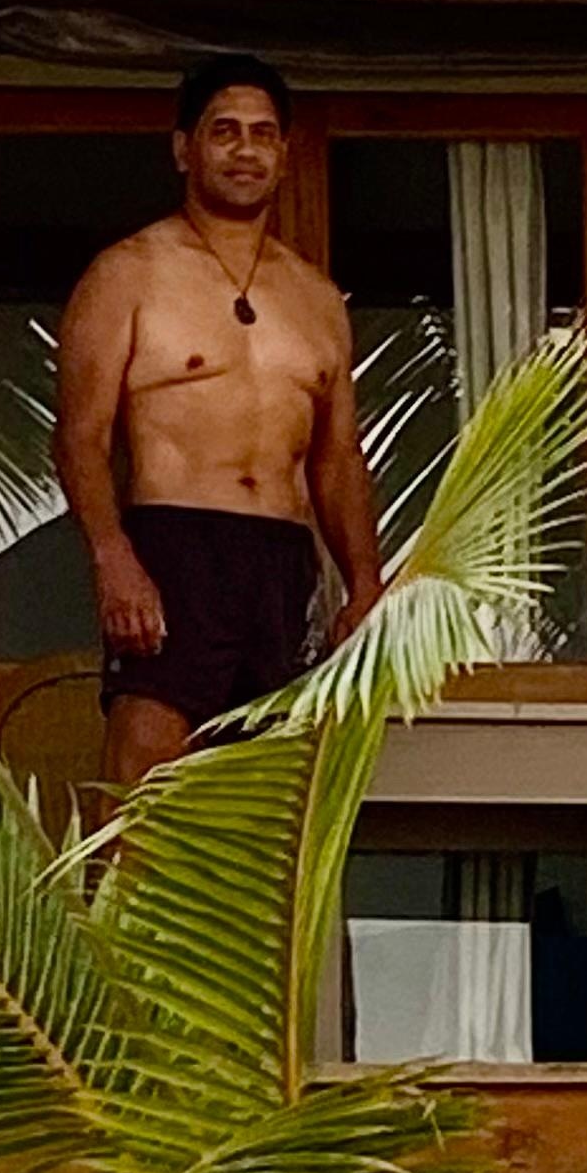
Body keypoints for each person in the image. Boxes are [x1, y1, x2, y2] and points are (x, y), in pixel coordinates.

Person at [52, 53, 385, 788]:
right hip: (175, 542)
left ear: (284, 154)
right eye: (225, 131)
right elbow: (79, 435)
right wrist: (113, 559)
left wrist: (363, 584)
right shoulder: (128, 273)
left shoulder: (317, 297)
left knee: (263, 789)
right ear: (184, 148)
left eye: (262, 134)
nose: (245, 150)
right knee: (145, 771)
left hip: (281, 557)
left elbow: (336, 459)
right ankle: (113, 910)